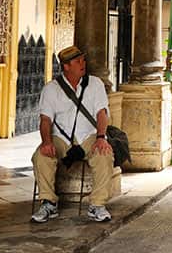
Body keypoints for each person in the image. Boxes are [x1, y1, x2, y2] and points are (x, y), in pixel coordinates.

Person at [31, 45, 115, 223]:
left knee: (104, 154)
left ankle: (97, 205)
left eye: (83, 60)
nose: (83, 64)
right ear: (66, 66)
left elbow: (102, 113)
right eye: (78, 62)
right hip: (61, 138)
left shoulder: (95, 84)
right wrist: (46, 142)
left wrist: (101, 138)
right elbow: (45, 120)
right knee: (41, 156)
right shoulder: (51, 89)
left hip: (88, 136)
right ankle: (48, 203)